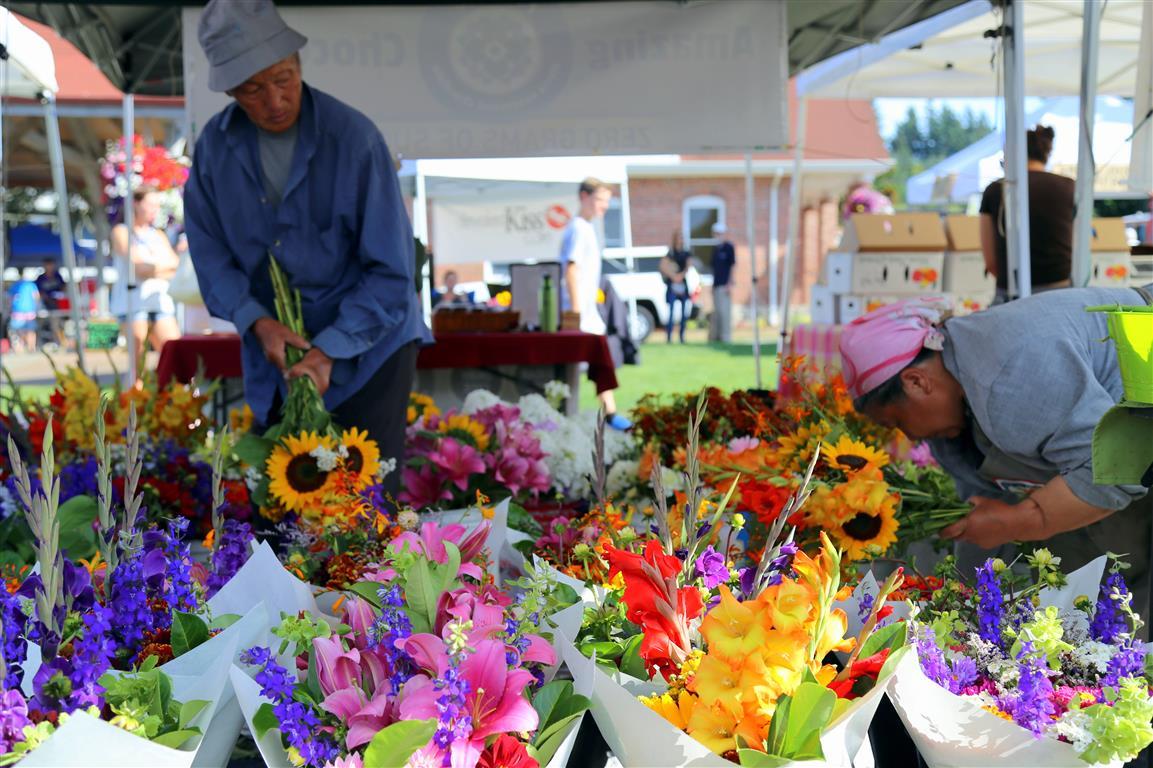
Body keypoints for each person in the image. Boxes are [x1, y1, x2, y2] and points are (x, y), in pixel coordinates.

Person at [184, 0, 428, 495]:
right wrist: (258, 321)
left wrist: (329, 351)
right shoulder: (213, 148)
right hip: (277, 354)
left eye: (284, 78)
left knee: (365, 506)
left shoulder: (354, 139)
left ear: (298, 65)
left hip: (369, 349)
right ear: (230, 90)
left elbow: (391, 272)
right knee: (283, 511)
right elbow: (212, 257)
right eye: (254, 89)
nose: (275, 100)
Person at [839, 287, 1153, 634]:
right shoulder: (960, 385)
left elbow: (1114, 472)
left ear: (917, 382)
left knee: (1119, 609)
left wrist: (1019, 520)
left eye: (897, 421)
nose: (910, 437)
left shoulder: (1006, 379)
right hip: (1125, 441)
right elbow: (987, 513)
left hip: (1133, 444)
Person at [559, 177, 630, 430]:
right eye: (601, 200)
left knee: (600, 362)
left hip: (587, 313)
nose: (604, 207)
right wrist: (577, 311)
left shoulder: (586, 228)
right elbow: (571, 269)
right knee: (576, 369)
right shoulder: (578, 228)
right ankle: (576, 416)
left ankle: (609, 413)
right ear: (584, 197)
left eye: (607, 201)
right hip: (579, 313)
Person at [980, 125, 1074, 302]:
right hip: (1060, 294)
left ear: (1011, 155)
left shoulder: (996, 190)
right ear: (1046, 154)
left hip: (1010, 294)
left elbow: (991, 261)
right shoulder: (1070, 188)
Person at [110, 185, 182, 378]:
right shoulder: (122, 232)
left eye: (157, 205)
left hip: (160, 303)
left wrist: (154, 268)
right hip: (132, 305)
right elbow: (139, 269)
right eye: (151, 204)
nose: (155, 210)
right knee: (137, 368)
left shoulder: (157, 234)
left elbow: (175, 266)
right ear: (135, 203)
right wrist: (162, 266)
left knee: (177, 358)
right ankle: (137, 406)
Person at [660, 230, 692, 344]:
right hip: (672, 285)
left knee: (684, 312)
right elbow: (663, 266)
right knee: (671, 311)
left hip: (682, 284)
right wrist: (673, 276)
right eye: (679, 237)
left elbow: (688, 266)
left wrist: (680, 276)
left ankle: (682, 336)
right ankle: (669, 336)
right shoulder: (671, 253)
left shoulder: (686, 253)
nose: (681, 239)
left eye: (682, 237)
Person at [709, 222, 735, 343]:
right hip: (717, 285)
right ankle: (716, 337)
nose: (717, 235)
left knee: (725, 313)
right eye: (716, 233)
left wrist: (730, 283)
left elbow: (733, 266)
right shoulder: (715, 249)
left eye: (719, 233)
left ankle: (726, 338)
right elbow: (714, 269)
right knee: (717, 312)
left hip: (725, 285)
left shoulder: (729, 247)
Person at [35, 259, 67, 347]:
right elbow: (37, 292)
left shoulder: (57, 276)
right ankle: (38, 345)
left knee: (56, 326)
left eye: (51, 265)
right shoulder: (40, 278)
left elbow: (64, 287)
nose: (49, 267)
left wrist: (61, 294)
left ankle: (60, 344)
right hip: (43, 305)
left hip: (56, 305)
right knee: (39, 325)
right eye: (47, 265)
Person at [6, 273, 39, 353]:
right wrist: (36, 307)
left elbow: (9, 299)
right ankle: (31, 348)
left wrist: (9, 309)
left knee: (19, 330)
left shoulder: (15, 285)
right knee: (30, 330)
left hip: (18, 311)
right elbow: (36, 296)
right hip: (29, 310)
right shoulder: (31, 285)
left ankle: (22, 348)